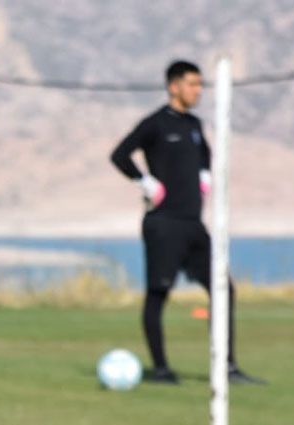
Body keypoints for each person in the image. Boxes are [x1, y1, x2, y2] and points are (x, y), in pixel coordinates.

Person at [110, 60, 263, 385]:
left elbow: (205, 154)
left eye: (200, 85)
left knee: (224, 290)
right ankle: (162, 369)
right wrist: (145, 182)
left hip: (194, 225)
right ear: (174, 86)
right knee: (158, 293)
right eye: (192, 84)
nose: (198, 91)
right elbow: (120, 155)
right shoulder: (154, 124)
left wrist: (204, 175)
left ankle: (227, 366)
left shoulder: (194, 125)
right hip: (163, 225)